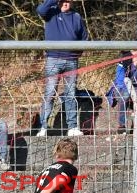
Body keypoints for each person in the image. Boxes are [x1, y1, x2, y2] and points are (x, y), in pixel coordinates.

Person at [35, 0, 89, 137]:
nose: (66, 3)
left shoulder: (76, 17)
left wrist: (77, 52)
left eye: (68, 1)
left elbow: (84, 38)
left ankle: (72, 127)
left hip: (72, 61)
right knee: (49, 94)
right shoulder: (51, 12)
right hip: (53, 59)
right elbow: (40, 10)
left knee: (70, 94)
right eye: (63, 0)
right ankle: (43, 127)